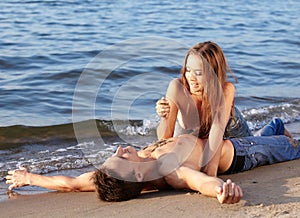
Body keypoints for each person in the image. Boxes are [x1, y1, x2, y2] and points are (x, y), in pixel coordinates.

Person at [6, 127, 300, 204]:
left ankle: (274, 125)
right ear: (135, 173)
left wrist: (28, 177)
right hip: (240, 152)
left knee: (270, 128)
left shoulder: (111, 177)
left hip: (219, 134)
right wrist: (223, 191)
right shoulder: (171, 173)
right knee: (291, 147)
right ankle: (278, 133)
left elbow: (70, 184)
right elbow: (200, 183)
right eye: (122, 155)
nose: (121, 148)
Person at [156, 41, 253, 176]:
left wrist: (211, 171)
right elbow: (164, 139)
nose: (191, 77)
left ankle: (276, 126)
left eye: (198, 73)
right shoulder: (177, 88)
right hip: (201, 139)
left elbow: (218, 129)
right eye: (188, 70)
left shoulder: (225, 90)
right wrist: (164, 117)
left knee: (261, 145)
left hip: (231, 131)